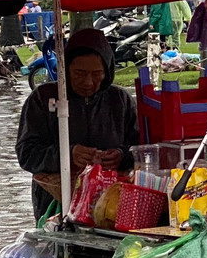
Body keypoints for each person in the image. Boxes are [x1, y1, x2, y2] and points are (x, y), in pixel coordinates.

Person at [16, 28, 138, 221]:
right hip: (53, 202)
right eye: (79, 73)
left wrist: (121, 156)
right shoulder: (42, 98)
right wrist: (68, 154)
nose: (88, 82)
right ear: (65, 69)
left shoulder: (120, 100)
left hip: (111, 204)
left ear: (108, 71)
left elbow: (143, 148)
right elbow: (26, 154)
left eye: (97, 74)